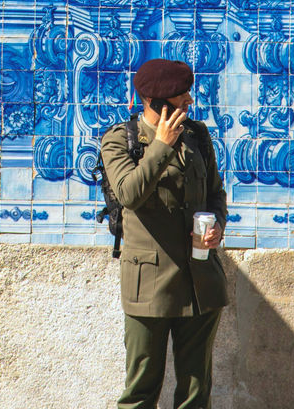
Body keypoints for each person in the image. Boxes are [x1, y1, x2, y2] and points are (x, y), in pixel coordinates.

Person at [100, 59, 229, 409]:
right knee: (140, 392)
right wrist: (161, 145)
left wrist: (216, 225)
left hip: (200, 281)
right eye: (180, 98)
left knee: (194, 393)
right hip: (150, 285)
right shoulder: (120, 140)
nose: (189, 102)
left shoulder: (198, 136)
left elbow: (216, 193)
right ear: (157, 105)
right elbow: (129, 193)